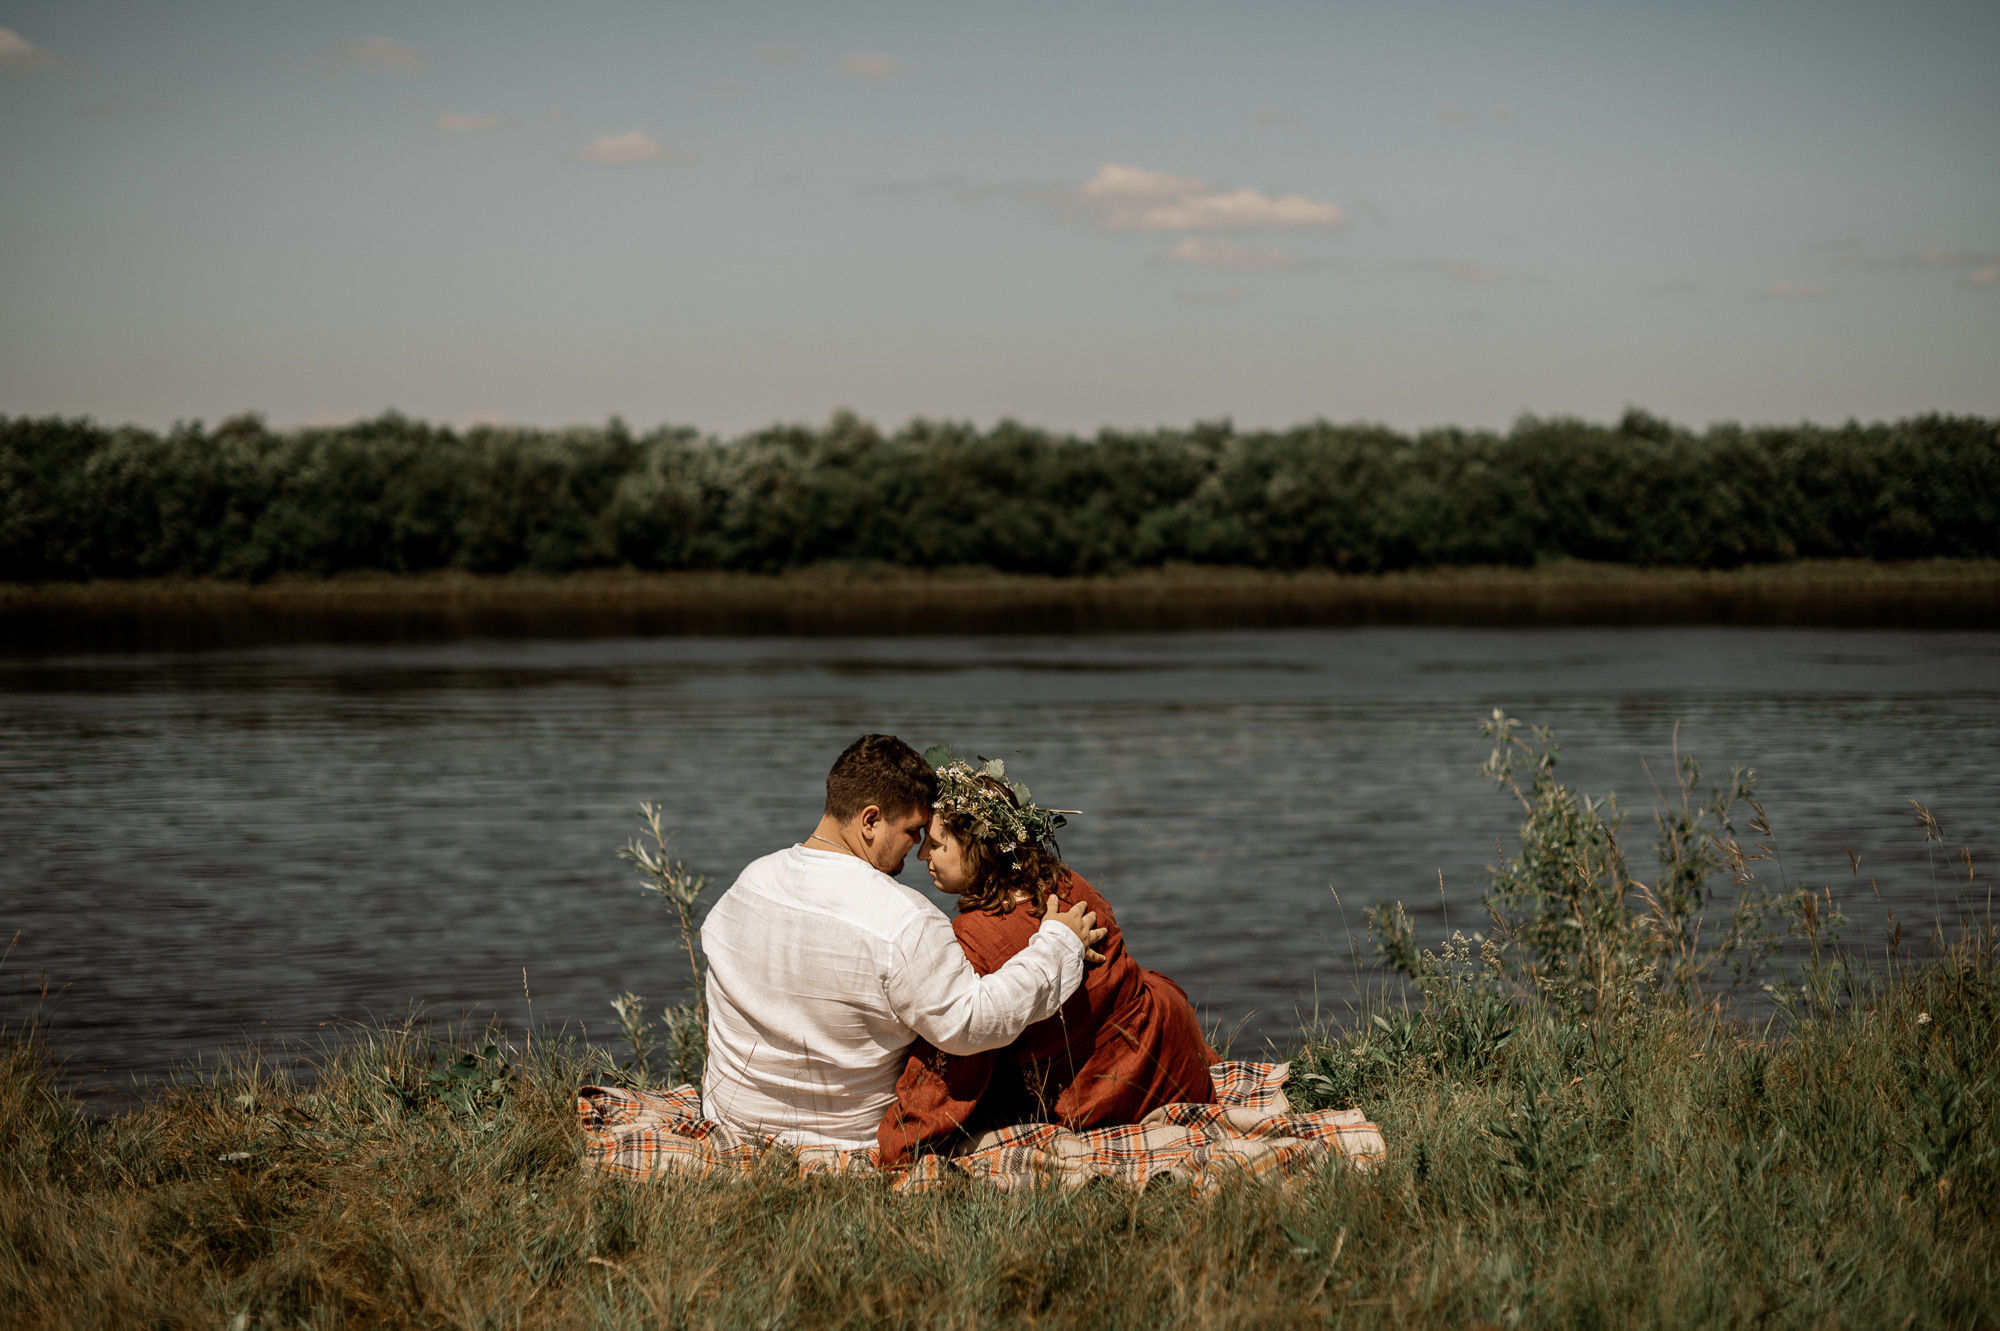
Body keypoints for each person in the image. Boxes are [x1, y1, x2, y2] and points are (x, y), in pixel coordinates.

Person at [699, 734, 1108, 1149]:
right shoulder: (904, 920)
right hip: (839, 1138)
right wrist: (1058, 944)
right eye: (913, 831)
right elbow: (970, 1023)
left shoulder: (747, 884)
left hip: (732, 1118)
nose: (916, 851)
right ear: (870, 821)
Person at [878, 749, 1218, 1167]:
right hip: (1169, 1042)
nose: (922, 857)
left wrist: (903, 1139)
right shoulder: (1064, 881)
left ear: (977, 846)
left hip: (1110, 1089)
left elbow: (958, 1049)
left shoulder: (976, 936)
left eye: (936, 845)